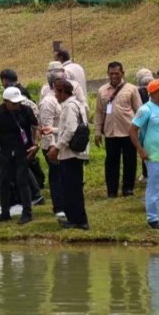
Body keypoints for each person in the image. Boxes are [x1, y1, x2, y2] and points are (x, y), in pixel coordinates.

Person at [0, 87, 39, 225]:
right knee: (4, 181)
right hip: (5, 151)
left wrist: (35, 144)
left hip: (23, 150)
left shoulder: (26, 110)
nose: (17, 105)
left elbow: (35, 126)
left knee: (22, 181)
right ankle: (5, 211)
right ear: (6, 102)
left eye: (18, 103)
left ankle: (27, 212)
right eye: (14, 103)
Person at [95, 61, 142, 198]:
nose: (114, 76)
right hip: (110, 132)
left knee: (130, 161)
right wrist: (97, 131)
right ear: (107, 74)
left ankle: (128, 189)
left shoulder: (131, 89)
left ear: (122, 73)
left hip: (128, 131)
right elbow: (98, 112)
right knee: (111, 162)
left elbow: (139, 110)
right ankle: (112, 190)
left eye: (117, 73)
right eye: (111, 73)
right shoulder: (102, 91)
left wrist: (140, 130)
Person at [49, 78, 90, 230]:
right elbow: (70, 128)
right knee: (71, 187)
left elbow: (71, 130)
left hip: (70, 154)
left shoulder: (69, 107)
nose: (55, 95)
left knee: (71, 188)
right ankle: (76, 219)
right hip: (74, 153)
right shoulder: (76, 104)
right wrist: (53, 130)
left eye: (56, 92)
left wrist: (57, 147)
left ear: (63, 92)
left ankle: (77, 220)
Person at [132, 78, 159, 229]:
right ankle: (153, 219)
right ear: (154, 92)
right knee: (155, 189)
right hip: (156, 158)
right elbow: (132, 130)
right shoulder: (145, 110)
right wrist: (140, 150)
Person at [38, 73, 65, 219]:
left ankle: (64, 204)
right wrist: (52, 147)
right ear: (54, 84)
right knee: (56, 175)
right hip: (52, 144)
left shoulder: (59, 99)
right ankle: (58, 206)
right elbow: (46, 127)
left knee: (62, 175)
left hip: (62, 143)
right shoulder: (48, 102)